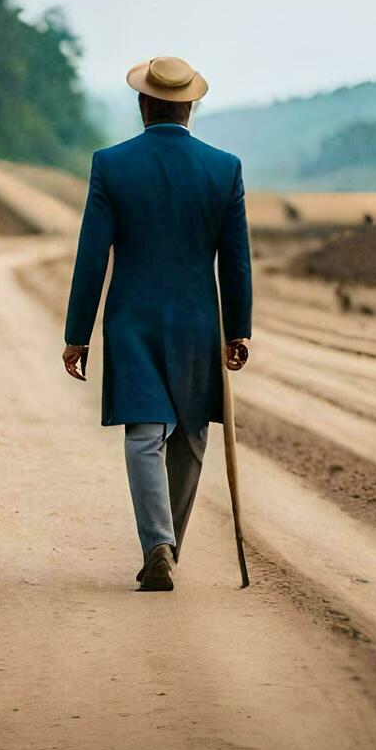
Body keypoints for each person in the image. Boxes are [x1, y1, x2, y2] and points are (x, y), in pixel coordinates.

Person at [62, 55, 253, 592]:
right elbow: (235, 260)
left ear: (143, 104)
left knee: (144, 432)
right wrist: (239, 328)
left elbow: (91, 256)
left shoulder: (111, 164)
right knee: (189, 438)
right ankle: (166, 545)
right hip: (197, 322)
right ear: (190, 106)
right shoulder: (224, 169)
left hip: (132, 320)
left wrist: (77, 334)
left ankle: (157, 546)